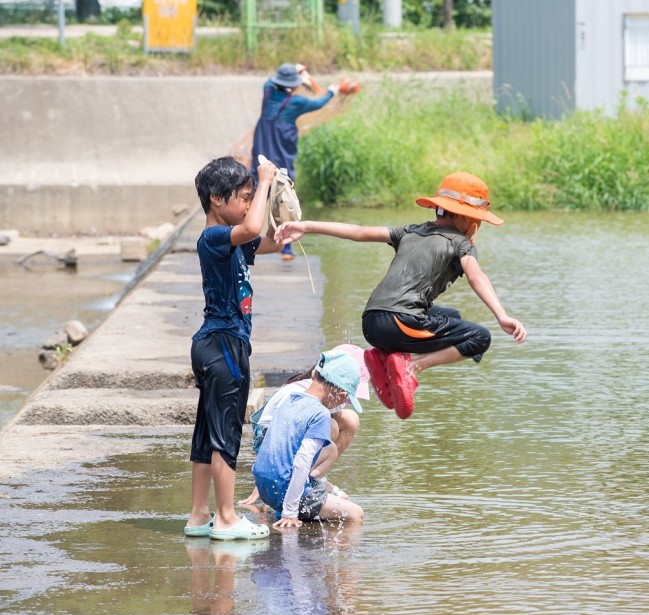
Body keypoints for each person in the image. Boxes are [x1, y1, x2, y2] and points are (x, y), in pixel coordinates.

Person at [274, 172, 528, 420]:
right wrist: (502, 315)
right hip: (402, 323)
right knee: (479, 338)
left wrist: (305, 226)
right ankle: (413, 366)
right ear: (466, 218)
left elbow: (358, 232)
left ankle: (383, 356)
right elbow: (477, 276)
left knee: (451, 316)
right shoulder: (462, 243)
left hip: (371, 323)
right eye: (478, 220)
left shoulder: (410, 231)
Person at [184, 155, 284, 541]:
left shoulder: (232, 241)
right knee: (226, 433)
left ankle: (199, 515)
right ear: (215, 199)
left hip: (217, 343)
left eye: (248, 197)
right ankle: (226, 518)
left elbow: (266, 240)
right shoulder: (212, 237)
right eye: (242, 197)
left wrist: (290, 226)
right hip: (224, 344)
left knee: (207, 433)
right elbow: (252, 225)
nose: (246, 204)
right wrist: (264, 182)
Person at [238, 343, 370, 506]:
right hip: (270, 438)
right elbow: (278, 432)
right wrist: (269, 474)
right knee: (330, 426)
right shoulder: (300, 391)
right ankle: (298, 480)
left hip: (297, 437)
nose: (346, 398)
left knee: (350, 419)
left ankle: (315, 477)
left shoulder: (328, 388)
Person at [251, 62, 340, 261]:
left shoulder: (268, 92)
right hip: (281, 150)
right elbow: (319, 103)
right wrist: (332, 91)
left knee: (257, 188)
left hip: (262, 145)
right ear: (293, 84)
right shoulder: (297, 102)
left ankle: (245, 235)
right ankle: (286, 248)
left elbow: (268, 81)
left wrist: (294, 70)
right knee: (283, 192)